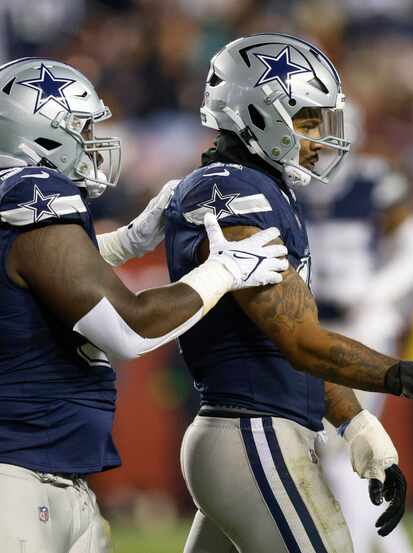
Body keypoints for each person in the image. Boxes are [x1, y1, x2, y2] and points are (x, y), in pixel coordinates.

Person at [163, 34, 413, 553]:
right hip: (253, 432)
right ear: (258, 115)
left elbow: (290, 344)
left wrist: (355, 421)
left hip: (257, 428)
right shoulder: (239, 194)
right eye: (307, 120)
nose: (319, 138)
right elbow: (300, 342)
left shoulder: (261, 188)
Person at [0, 58, 289, 553]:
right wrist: (221, 271)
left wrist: (129, 241)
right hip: (18, 477)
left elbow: (40, 274)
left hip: (50, 475)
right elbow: (128, 331)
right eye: (81, 129)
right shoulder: (34, 191)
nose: (93, 143)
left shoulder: (16, 204)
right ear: (38, 131)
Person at [300, 105, 413, 553]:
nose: (318, 149)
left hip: (363, 326)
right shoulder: (286, 186)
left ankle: (349, 547)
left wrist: (376, 294)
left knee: (343, 445)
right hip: (313, 329)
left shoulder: (373, 180)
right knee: (342, 452)